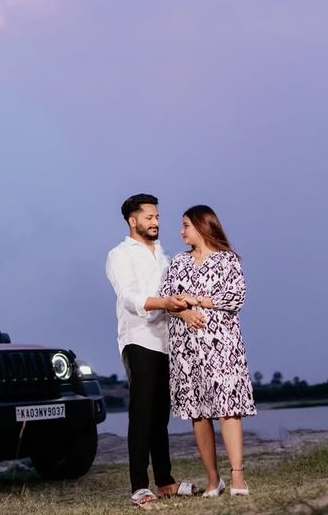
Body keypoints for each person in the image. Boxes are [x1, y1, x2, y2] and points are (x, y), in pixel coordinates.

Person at [159, 204, 256, 497]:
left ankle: (237, 477)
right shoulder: (177, 262)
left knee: (228, 409)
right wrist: (184, 313)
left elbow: (236, 297)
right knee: (199, 414)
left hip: (223, 347)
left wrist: (196, 300)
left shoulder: (228, 261)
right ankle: (214, 480)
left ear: (202, 226)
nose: (181, 231)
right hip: (187, 351)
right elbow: (166, 300)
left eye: (185, 225)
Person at [106, 193, 197, 507]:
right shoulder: (119, 254)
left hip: (166, 342)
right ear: (133, 221)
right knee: (141, 414)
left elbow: (172, 295)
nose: (156, 222)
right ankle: (139, 486)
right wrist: (167, 303)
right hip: (138, 339)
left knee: (160, 416)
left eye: (157, 217)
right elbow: (130, 298)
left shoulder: (163, 255)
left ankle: (166, 482)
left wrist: (182, 309)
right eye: (149, 217)